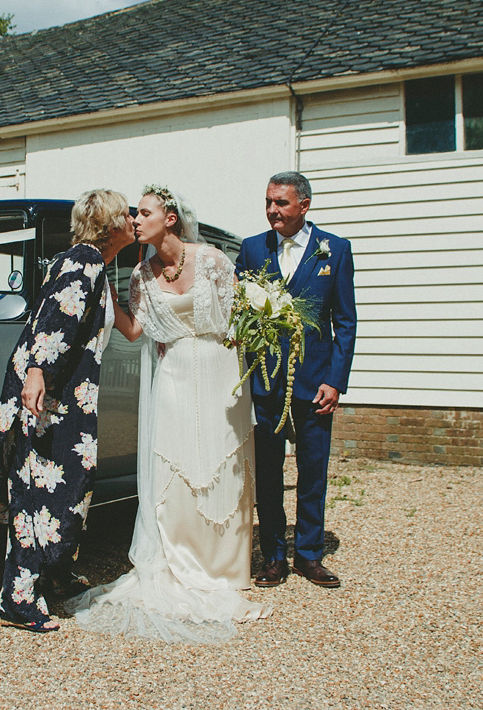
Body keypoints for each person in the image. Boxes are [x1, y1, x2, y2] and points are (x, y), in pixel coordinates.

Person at [67, 184, 269, 642]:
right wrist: (102, 291)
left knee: (223, 466)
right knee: (173, 467)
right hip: (173, 377)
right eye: (133, 215)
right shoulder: (139, 274)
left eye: (143, 213)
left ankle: (224, 567)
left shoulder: (214, 261)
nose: (134, 221)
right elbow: (137, 331)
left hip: (220, 376)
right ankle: (178, 561)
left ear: (170, 218)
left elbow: (238, 321)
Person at [0, 189, 135, 632]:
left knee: (71, 486)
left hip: (67, 397)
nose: (133, 219)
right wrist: (38, 372)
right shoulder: (82, 261)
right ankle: (18, 599)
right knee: (38, 492)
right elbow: (53, 321)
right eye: (126, 214)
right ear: (108, 224)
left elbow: (122, 327)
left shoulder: (93, 264)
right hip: (47, 395)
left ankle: (54, 574)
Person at [235, 171, 356, 589]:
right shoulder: (252, 249)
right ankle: (272, 557)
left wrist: (336, 381)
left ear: (304, 205)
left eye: (281, 203)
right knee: (267, 476)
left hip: (314, 384)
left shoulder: (334, 251)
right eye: (268, 202)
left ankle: (308, 555)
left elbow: (345, 321)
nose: (272, 211)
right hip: (266, 386)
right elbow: (239, 312)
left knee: (313, 473)